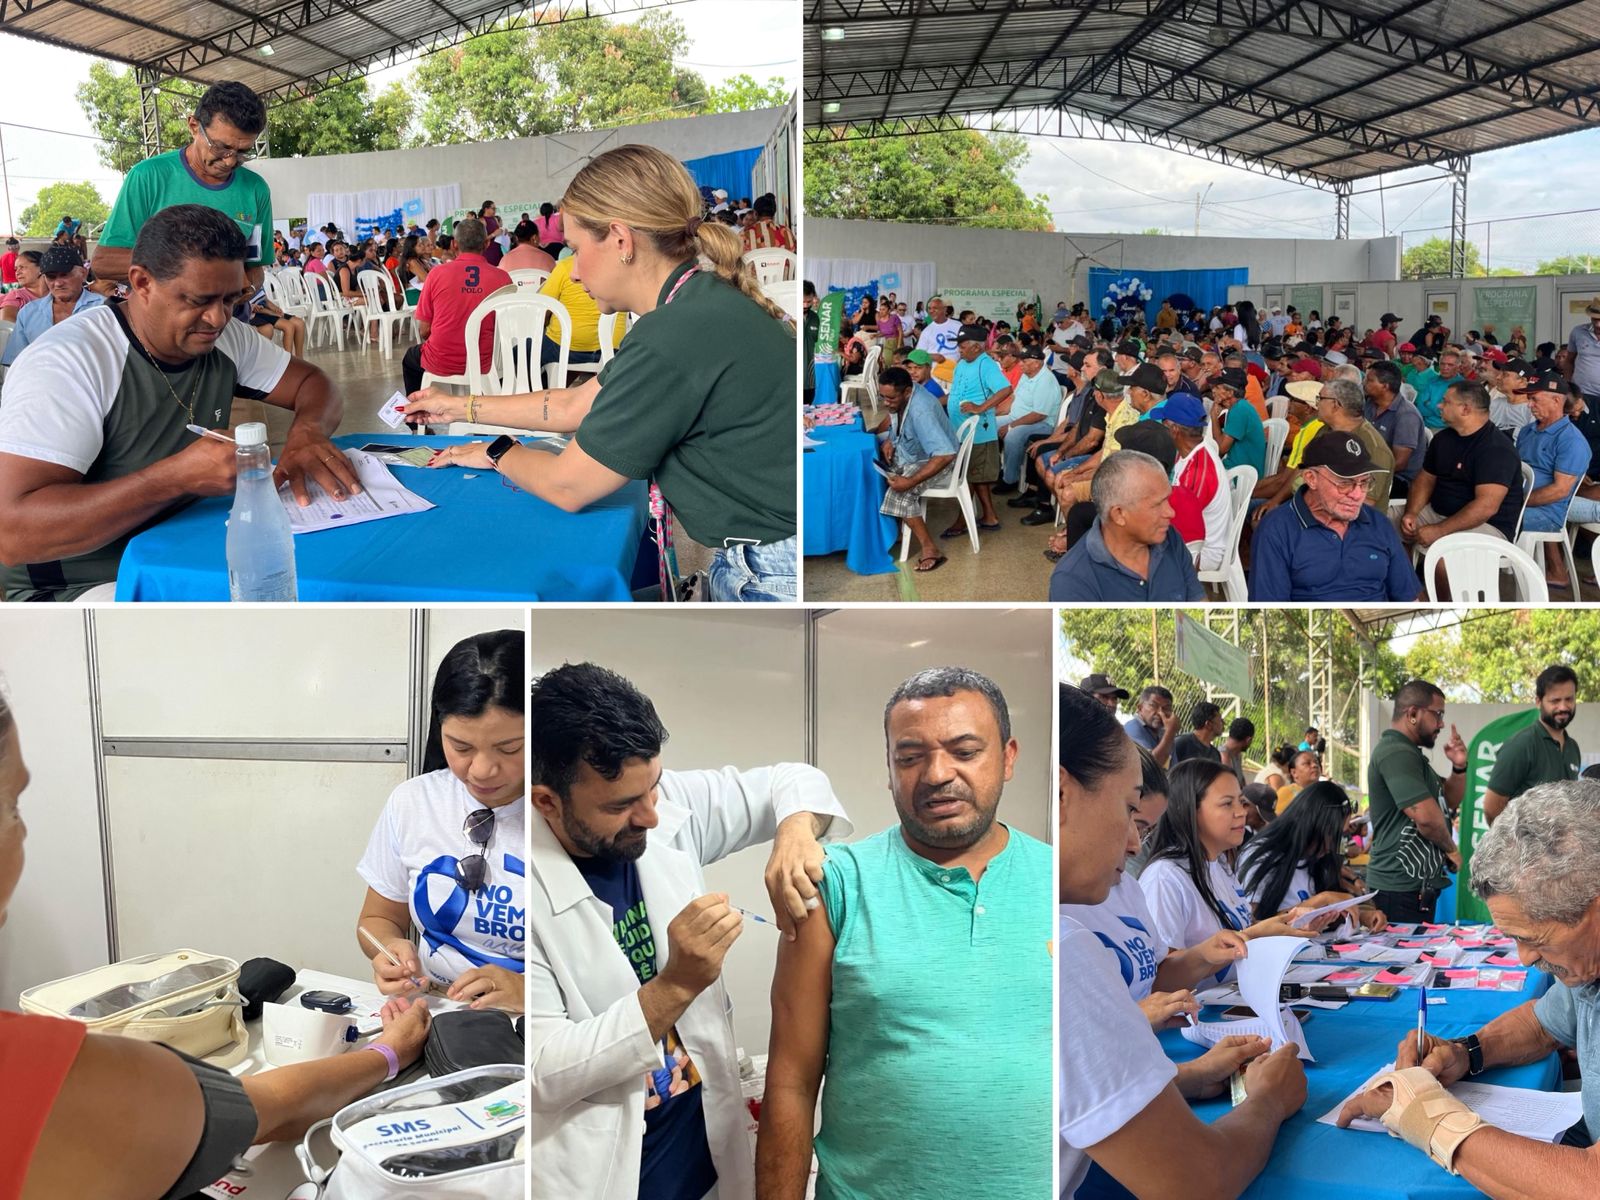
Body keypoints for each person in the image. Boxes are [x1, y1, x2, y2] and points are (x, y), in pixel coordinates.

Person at [0, 683, 437, 1199]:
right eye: (12, 806)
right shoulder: (51, 1076)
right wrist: (389, 1053)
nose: (484, 770)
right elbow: (267, 1110)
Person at [410, 146, 798, 602]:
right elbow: (576, 404)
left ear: (620, 240)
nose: (572, 273)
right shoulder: (695, 304)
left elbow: (567, 484)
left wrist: (495, 450)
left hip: (770, 573)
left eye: (575, 249)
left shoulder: (674, 334)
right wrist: (459, 405)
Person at [526, 662, 851, 1200]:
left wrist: (795, 832)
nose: (651, 816)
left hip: (704, 1156)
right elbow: (543, 1071)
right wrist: (677, 984)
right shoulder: (525, 880)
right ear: (547, 802)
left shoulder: (664, 802)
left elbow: (794, 779)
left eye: (651, 787)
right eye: (622, 805)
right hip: (610, 1169)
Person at [759, 668, 1049, 1199]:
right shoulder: (835, 884)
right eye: (910, 757)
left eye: (964, 751)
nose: (938, 774)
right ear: (889, 768)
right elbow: (790, 1083)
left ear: (1008, 758)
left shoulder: (1058, 881)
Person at [0, 205, 354, 602]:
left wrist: (307, 432)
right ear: (142, 282)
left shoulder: (225, 338)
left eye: (229, 298)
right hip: (87, 585)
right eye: (199, 299)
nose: (218, 318)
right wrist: (173, 479)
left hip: (188, 551)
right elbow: (13, 534)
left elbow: (314, 383)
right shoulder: (69, 362)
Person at [1059, 686, 1308, 1198]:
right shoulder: (1061, 950)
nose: (1134, 844)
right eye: (1129, 812)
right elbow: (1198, 1180)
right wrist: (1268, 1100)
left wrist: (1185, 1078)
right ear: (1062, 795)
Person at [1336, 780, 1600, 1194]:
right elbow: (1544, 1023)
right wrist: (1465, 1053)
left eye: (1535, 938)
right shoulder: (1587, 963)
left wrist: (1427, 1117)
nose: (1525, 959)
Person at [357, 631, 526, 1012]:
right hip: (435, 1008)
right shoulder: (413, 801)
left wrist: (528, 990)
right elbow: (376, 919)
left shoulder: (567, 812)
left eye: (510, 748)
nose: (481, 770)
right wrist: (389, 949)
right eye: (461, 747)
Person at [93, 82, 272, 295]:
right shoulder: (148, 177)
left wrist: (249, 288)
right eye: (221, 147)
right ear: (194, 126)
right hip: (160, 324)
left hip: (231, 320)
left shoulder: (255, 189)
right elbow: (104, 262)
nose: (230, 161)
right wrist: (189, 270)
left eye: (243, 151)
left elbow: (255, 267)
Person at [1140, 759, 1320, 967]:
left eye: (1241, 802)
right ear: (1189, 809)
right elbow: (1163, 974)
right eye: (1227, 803)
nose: (1241, 812)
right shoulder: (1165, 877)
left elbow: (1242, 927)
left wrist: (1288, 924)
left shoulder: (1220, 865)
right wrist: (1254, 935)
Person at [1251, 434, 1420, 602]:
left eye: (1364, 483)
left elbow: (1409, 597)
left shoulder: (1378, 524)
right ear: (1311, 478)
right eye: (1344, 483)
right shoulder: (1276, 530)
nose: (1357, 495)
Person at [1365, 679, 1466, 924]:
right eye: (1438, 714)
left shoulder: (1411, 756)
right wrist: (1450, 849)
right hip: (1398, 889)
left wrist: (1460, 766)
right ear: (1412, 714)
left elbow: (1449, 800)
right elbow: (1427, 818)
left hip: (1412, 890)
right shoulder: (1396, 753)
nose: (1441, 723)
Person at [1049, 449, 1204, 602]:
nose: (1171, 513)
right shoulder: (1072, 582)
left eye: (1167, 499)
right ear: (1119, 515)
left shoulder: (1170, 537)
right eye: (1157, 505)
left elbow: (1199, 604)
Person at [1238, 780, 1386, 931]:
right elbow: (1252, 927)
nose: (1335, 845)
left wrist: (1361, 915)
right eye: (1334, 835)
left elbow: (1329, 911)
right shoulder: (1263, 855)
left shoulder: (1318, 858)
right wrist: (1323, 900)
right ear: (1314, 825)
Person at [1400, 380, 1524, 550]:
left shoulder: (1497, 449)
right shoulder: (1443, 438)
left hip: (1487, 525)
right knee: (1381, 527)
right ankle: (1406, 575)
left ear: (1465, 409)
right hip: (1438, 513)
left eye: (1446, 402)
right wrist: (1412, 513)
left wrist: (1439, 530)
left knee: (1446, 560)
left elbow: (1486, 507)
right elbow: (1425, 479)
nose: (1439, 405)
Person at [396, 216, 511, 396]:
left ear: (455, 244)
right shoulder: (503, 278)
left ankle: (418, 419)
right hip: (486, 361)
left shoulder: (436, 274)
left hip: (442, 359)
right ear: (486, 244)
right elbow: (506, 329)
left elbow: (424, 330)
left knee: (410, 359)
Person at [872, 365, 959, 573]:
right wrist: (890, 440)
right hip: (916, 454)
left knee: (899, 492)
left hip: (942, 461)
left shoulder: (921, 411)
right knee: (877, 463)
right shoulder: (900, 398)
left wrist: (910, 482)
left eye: (890, 398)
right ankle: (898, 528)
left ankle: (930, 548)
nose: (886, 402)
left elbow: (945, 455)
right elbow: (897, 424)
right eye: (882, 397)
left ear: (907, 392)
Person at [1516, 370, 1589, 587]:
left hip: (1546, 513)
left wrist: (1515, 501)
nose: (1529, 405)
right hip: (1518, 501)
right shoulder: (1528, 431)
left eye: (1534, 399)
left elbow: (1560, 491)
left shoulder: (1572, 441)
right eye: (1529, 399)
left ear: (1556, 400)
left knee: (1488, 517)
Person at [1482, 664, 1582, 824]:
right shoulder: (1522, 744)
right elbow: (1491, 807)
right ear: (1538, 701)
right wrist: (1514, 845)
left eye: (1569, 699)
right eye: (1555, 701)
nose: (1563, 707)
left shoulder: (1573, 748)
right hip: (1525, 847)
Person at [938, 323, 1009, 538]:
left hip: (979, 433)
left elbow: (1005, 388)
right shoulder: (962, 364)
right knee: (975, 476)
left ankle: (962, 520)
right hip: (961, 431)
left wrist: (980, 408)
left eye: (963, 345)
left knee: (969, 477)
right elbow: (955, 393)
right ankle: (989, 516)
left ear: (977, 347)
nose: (959, 349)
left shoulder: (985, 365)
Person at [0, 245, 105, 367]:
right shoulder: (28, 313)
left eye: (65, 274)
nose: (58, 283)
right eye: (51, 277)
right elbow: (15, 363)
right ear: (44, 278)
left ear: (83, 273)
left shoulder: (103, 308)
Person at [1160, 392, 1230, 571]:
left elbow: (1182, 529)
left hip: (1202, 551)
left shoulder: (1199, 471)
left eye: (1163, 423)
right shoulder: (1187, 452)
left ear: (1173, 429)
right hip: (1192, 537)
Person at [994, 345, 1063, 489]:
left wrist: (1011, 425)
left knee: (1013, 435)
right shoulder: (1027, 375)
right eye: (1021, 360)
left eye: (1024, 361)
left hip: (1041, 424)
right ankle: (996, 468)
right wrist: (994, 414)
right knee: (987, 425)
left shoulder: (1045, 380)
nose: (1020, 364)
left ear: (1037, 363)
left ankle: (1010, 480)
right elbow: (1013, 398)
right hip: (1017, 417)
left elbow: (1039, 414)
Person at [1363, 360, 1427, 498]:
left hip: (1398, 478)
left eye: (1369, 380)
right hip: (1370, 467)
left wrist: (1362, 472)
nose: (1364, 383)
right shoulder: (1370, 403)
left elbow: (1399, 463)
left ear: (1385, 386)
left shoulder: (1406, 415)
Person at [1210, 368, 1266, 480]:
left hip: (1241, 475)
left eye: (1217, 387)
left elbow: (1221, 449)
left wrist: (1214, 417)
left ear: (1230, 393)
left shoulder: (1239, 410)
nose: (1213, 391)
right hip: (1237, 466)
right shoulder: (1239, 406)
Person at [1124, 685, 1177, 767]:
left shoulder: (1164, 731)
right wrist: (1170, 732)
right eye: (1154, 706)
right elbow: (1151, 766)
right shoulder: (1132, 728)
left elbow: (1174, 768)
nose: (1160, 713)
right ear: (1140, 708)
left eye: (1166, 708)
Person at [1565, 298, 1600, 403]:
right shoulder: (1578, 332)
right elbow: (1569, 361)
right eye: (1595, 319)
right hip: (1583, 393)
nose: (1598, 324)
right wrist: (1567, 386)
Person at [1172, 702, 1225, 766]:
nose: (1224, 723)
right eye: (1220, 720)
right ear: (1208, 724)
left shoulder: (1215, 754)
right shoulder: (1180, 744)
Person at [0, 251, 44, 323]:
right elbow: (7, 325)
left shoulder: (57, 294)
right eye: (16, 269)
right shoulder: (16, 296)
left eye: (22, 267)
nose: (17, 272)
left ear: (41, 268)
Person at [1275, 749, 1323, 813]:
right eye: (1307, 763)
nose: (1315, 765)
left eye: (1316, 762)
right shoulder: (1286, 793)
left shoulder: (1325, 792)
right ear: (1294, 773)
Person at [1219, 717, 1254, 791]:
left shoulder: (1237, 754)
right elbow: (1230, 786)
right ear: (1248, 740)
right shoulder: (1224, 756)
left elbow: (1241, 782)